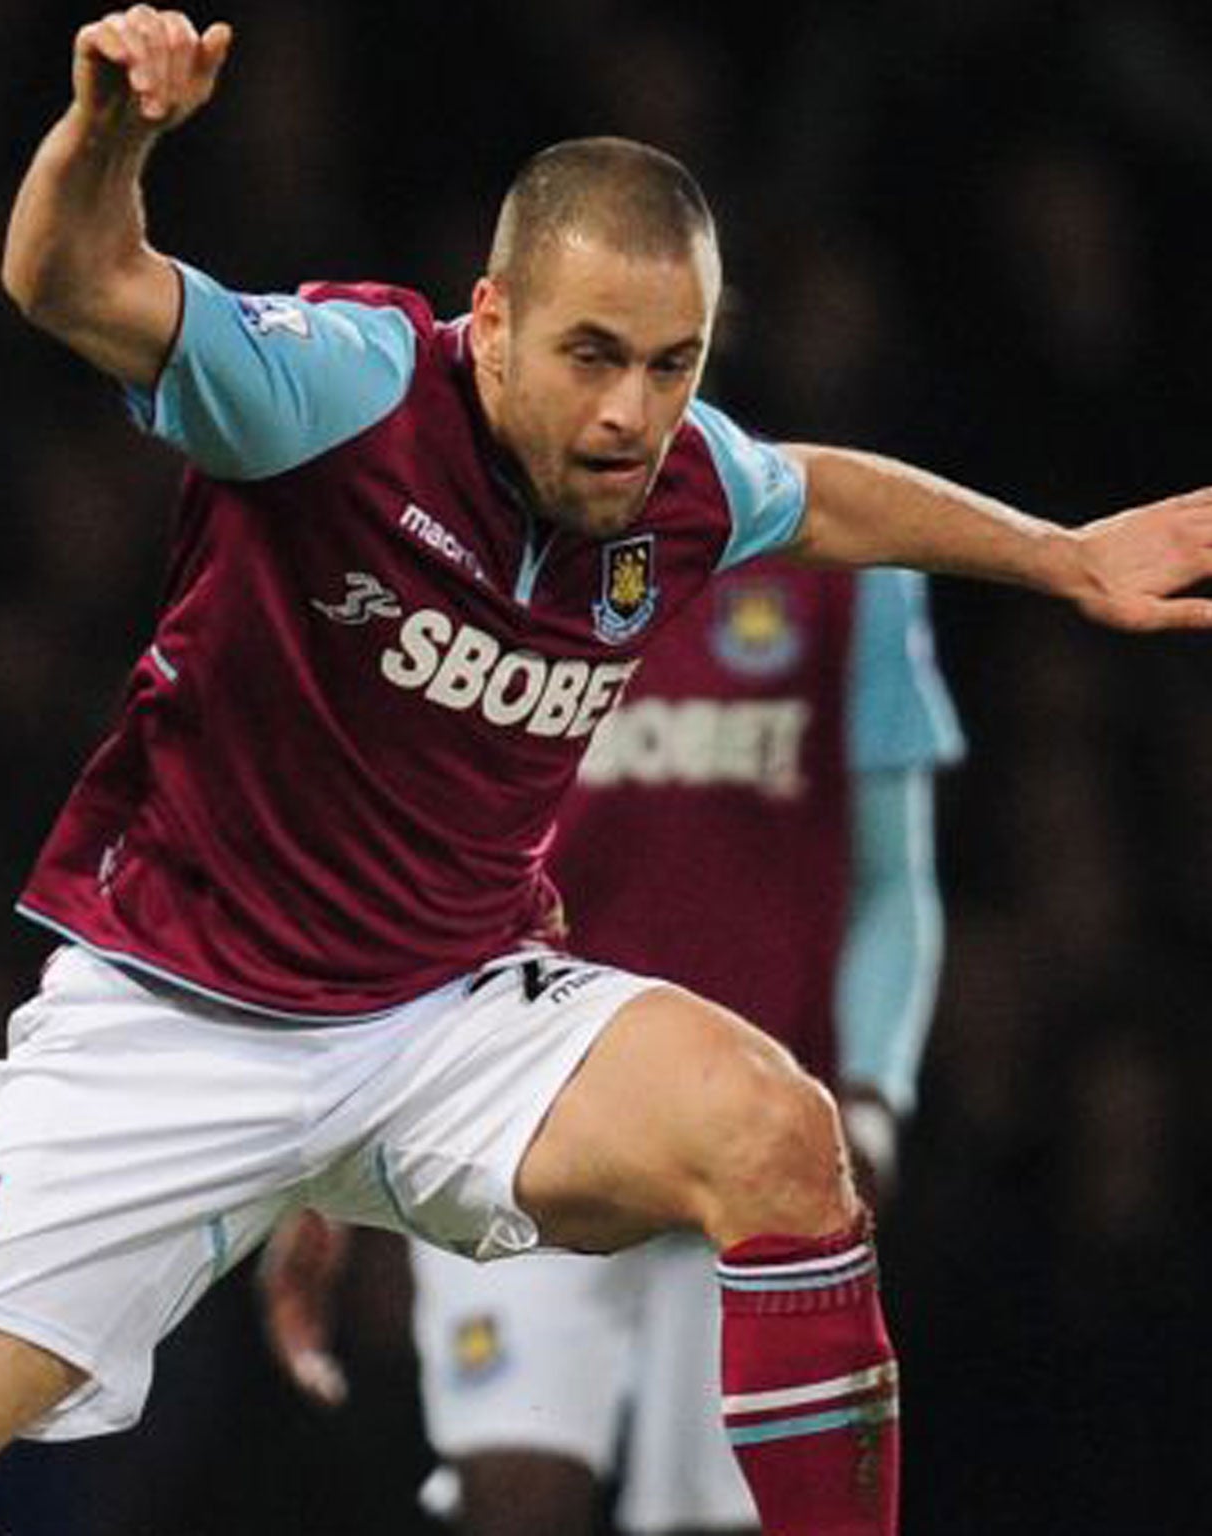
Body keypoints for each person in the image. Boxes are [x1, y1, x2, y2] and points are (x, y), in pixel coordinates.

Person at [0, 10, 1212, 1535]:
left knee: (775, 1137)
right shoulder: (340, 394)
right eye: (595, 355)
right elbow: (66, 278)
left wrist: (1062, 556)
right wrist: (107, 139)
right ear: (496, 321)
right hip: (176, 1028)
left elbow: (814, 494)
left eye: (672, 365)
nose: (632, 413)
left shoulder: (674, 479)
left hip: (449, 1019)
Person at [260, 555, 963, 1536]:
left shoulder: (837, 565)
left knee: (724, 1519)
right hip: (521, 1119)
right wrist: (328, 1142)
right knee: (514, 1501)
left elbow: (894, 881)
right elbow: (389, 884)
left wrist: (873, 1098)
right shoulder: (448, 558)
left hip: (744, 1155)